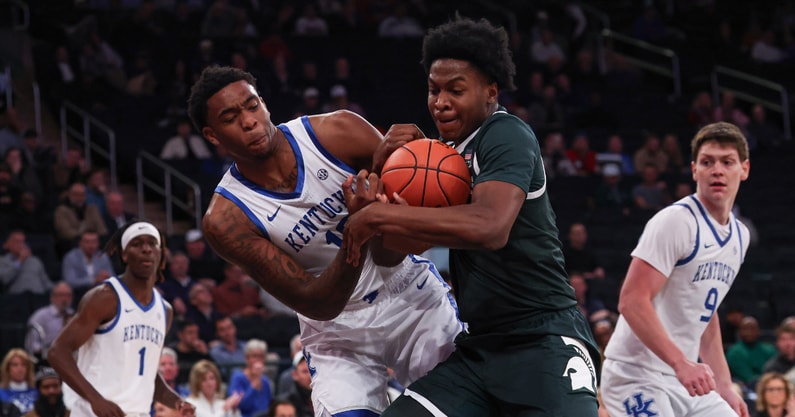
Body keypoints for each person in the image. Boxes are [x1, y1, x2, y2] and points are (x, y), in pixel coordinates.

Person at [344, 16, 600, 416]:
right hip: (480, 348)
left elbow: (490, 227)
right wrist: (380, 176)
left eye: (456, 90)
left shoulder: (506, 134)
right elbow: (390, 254)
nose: (440, 101)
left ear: (490, 92)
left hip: (544, 337)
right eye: (434, 90)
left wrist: (381, 218)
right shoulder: (440, 157)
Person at [187, 65, 461, 416]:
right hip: (336, 331)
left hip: (405, 292)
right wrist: (357, 230)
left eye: (252, 106)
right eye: (230, 118)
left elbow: (394, 250)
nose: (249, 121)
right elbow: (317, 304)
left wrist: (394, 172)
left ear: (264, 104)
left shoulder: (338, 131)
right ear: (212, 135)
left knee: (466, 404)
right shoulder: (227, 219)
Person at [600, 122, 752, 417]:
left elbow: (705, 313)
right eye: (707, 162)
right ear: (694, 170)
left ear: (743, 169)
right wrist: (681, 363)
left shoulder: (739, 236)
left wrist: (724, 385)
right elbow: (631, 301)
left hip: (682, 376)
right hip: (636, 375)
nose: (717, 170)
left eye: (727, 162)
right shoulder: (676, 222)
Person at [48, 221, 197, 417]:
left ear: (160, 253)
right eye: (137, 244)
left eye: (152, 243)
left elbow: (147, 375)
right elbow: (57, 352)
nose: (146, 249)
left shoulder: (164, 311)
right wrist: (95, 399)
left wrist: (176, 402)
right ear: (124, 255)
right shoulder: (104, 298)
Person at [61, 231, 114, 305]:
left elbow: (112, 276)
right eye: (87, 242)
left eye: (94, 242)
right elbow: (70, 281)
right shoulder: (71, 257)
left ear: (98, 243)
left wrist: (106, 277)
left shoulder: (103, 256)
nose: (91, 245)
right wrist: (94, 280)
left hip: (100, 293)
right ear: (80, 243)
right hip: (78, 294)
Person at [25, 282, 74, 363]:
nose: (65, 299)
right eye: (61, 295)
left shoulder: (74, 315)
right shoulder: (40, 316)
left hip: (70, 358)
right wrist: (48, 350)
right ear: (52, 297)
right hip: (46, 360)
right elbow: (31, 344)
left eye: (68, 295)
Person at [726, 316, 777, 388]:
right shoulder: (734, 353)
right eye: (745, 329)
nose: (749, 332)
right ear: (739, 332)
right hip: (743, 387)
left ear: (758, 331)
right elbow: (748, 378)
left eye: (752, 329)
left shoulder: (770, 350)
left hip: (770, 385)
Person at [227, 340, 272, 417]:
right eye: (254, 356)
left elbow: (267, 406)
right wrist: (255, 382)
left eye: (261, 356)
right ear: (247, 358)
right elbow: (241, 406)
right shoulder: (238, 378)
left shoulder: (265, 381)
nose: (258, 360)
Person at [0, 230, 53, 296]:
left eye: (23, 241)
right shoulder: (3, 261)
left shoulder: (35, 260)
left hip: (38, 296)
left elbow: (46, 282)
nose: (21, 244)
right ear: (7, 245)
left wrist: (58, 288)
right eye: (17, 241)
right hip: (18, 297)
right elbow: (5, 279)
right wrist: (20, 261)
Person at [0, 349, 38, 414]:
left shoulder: (37, 392)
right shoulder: (1, 393)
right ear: (7, 368)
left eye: (24, 365)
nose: (20, 369)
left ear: (28, 368)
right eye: (15, 365)